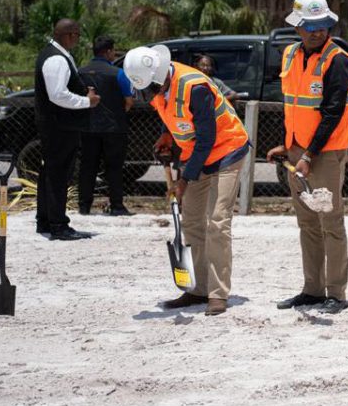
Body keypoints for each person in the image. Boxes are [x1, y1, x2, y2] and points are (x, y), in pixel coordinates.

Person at [124, 44, 250, 316]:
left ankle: (218, 294)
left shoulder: (195, 87)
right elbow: (171, 118)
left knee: (217, 222)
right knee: (192, 221)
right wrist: (167, 137)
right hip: (198, 154)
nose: (149, 95)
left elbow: (207, 139)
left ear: (160, 76)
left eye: (150, 89)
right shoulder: (157, 87)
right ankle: (197, 290)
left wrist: (183, 181)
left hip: (227, 150)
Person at [266, 0, 348, 314]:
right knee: (307, 223)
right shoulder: (290, 55)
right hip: (297, 152)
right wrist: (287, 145)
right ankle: (313, 289)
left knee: (330, 222)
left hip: (326, 154)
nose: (317, 32)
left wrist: (308, 155)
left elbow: (332, 114)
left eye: (322, 26)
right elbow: (294, 106)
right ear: (298, 27)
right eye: (310, 26)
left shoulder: (338, 61)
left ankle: (336, 292)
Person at [34, 19, 99, 240]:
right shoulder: (56, 58)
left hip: (56, 126)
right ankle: (58, 225)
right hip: (60, 126)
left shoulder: (55, 54)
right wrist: (86, 101)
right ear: (70, 35)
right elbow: (58, 94)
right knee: (58, 175)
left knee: (50, 174)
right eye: (77, 35)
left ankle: (45, 221)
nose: (78, 39)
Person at [77, 35, 134, 217]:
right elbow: (129, 101)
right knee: (114, 167)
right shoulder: (118, 73)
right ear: (108, 51)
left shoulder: (80, 72)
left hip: (87, 127)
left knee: (87, 167)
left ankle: (84, 206)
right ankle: (116, 205)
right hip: (114, 128)